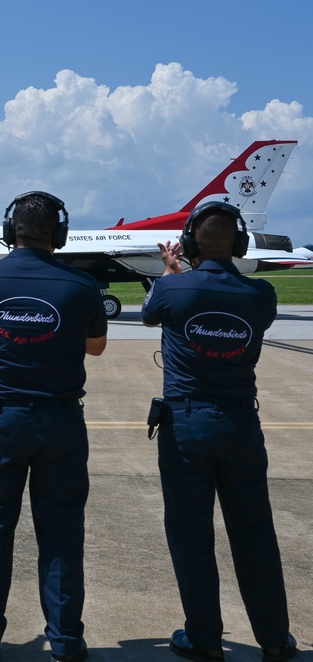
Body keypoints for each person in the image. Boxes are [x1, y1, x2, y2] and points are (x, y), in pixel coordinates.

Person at [0, 191, 106, 662]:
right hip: (60, 420)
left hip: (1, 420)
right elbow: (96, 347)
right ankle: (65, 640)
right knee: (61, 531)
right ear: (59, 234)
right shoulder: (81, 286)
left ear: (8, 230)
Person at [141, 201, 297, 662]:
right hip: (240, 423)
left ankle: (205, 639)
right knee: (254, 531)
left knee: (191, 533)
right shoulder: (261, 294)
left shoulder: (172, 289)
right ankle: (274, 638)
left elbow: (151, 313)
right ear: (241, 244)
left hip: (187, 424)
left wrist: (173, 272)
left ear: (188, 243)